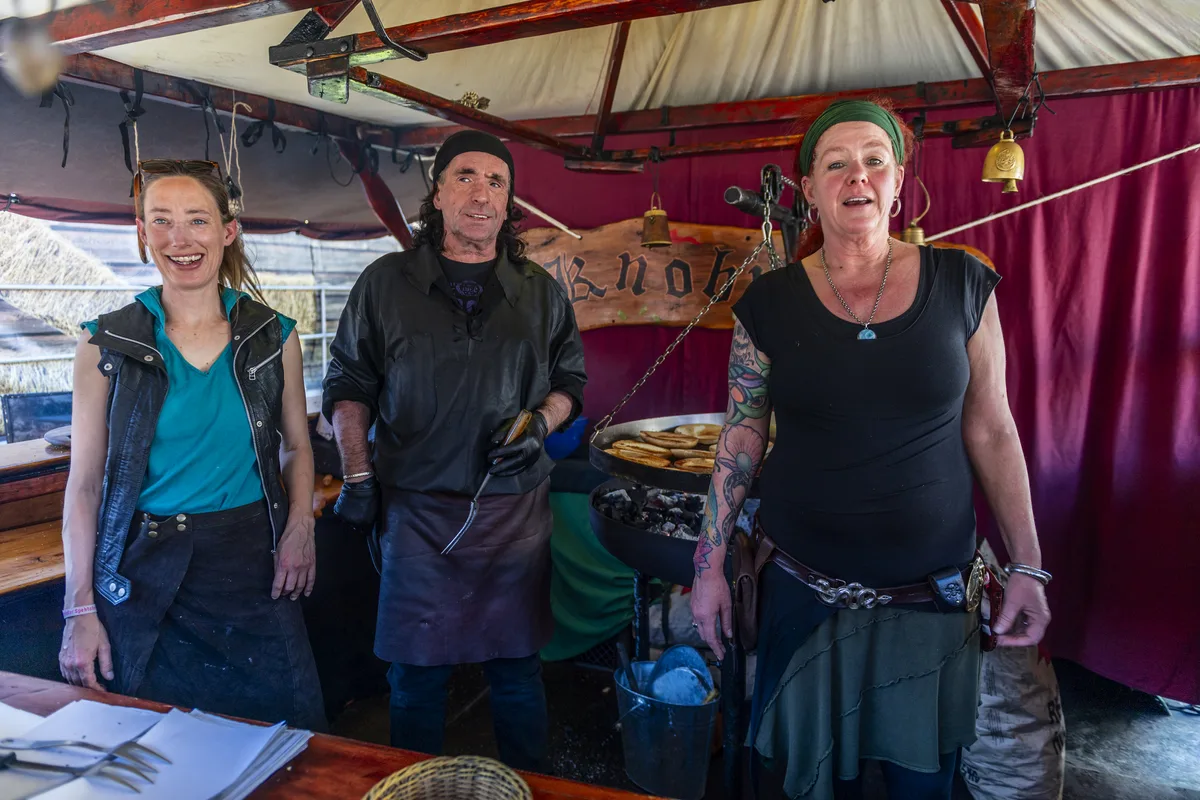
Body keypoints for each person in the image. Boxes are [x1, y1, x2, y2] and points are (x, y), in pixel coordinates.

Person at [689, 100, 1052, 799]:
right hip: (801, 590)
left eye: (873, 159)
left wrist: (1028, 567)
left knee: (923, 781)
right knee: (809, 780)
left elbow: (993, 428)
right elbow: (740, 435)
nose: (858, 175)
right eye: (837, 163)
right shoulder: (769, 304)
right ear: (809, 188)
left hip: (932, 599)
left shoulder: (964, 284)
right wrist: (708, 565)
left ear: (897, 177)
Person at [323, 130, 587, 770]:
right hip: (417, 514)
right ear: (437, 192)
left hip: (513, 516)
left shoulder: (539, 291)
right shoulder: (385, 283)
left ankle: (533, 788)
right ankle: (416, 787)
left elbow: (570, 384)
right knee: (416, 679)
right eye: (466, 175)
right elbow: (348, 383)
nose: (482, 192)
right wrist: (358, 475)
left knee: (517, 674)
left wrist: (540, 425)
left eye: (497, 181)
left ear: (509, 203)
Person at [58, 159, 326, 731]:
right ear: (142, 234)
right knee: (157, 751)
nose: (180, 239)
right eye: (161, 221)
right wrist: (79, 606)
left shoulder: (271, 334)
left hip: (252, 563)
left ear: (227, 232)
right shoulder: (106, 344)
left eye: (197, 220)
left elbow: (297, 449)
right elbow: (83, 485)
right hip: (145, 572)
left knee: (289, 743)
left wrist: (300, 526)